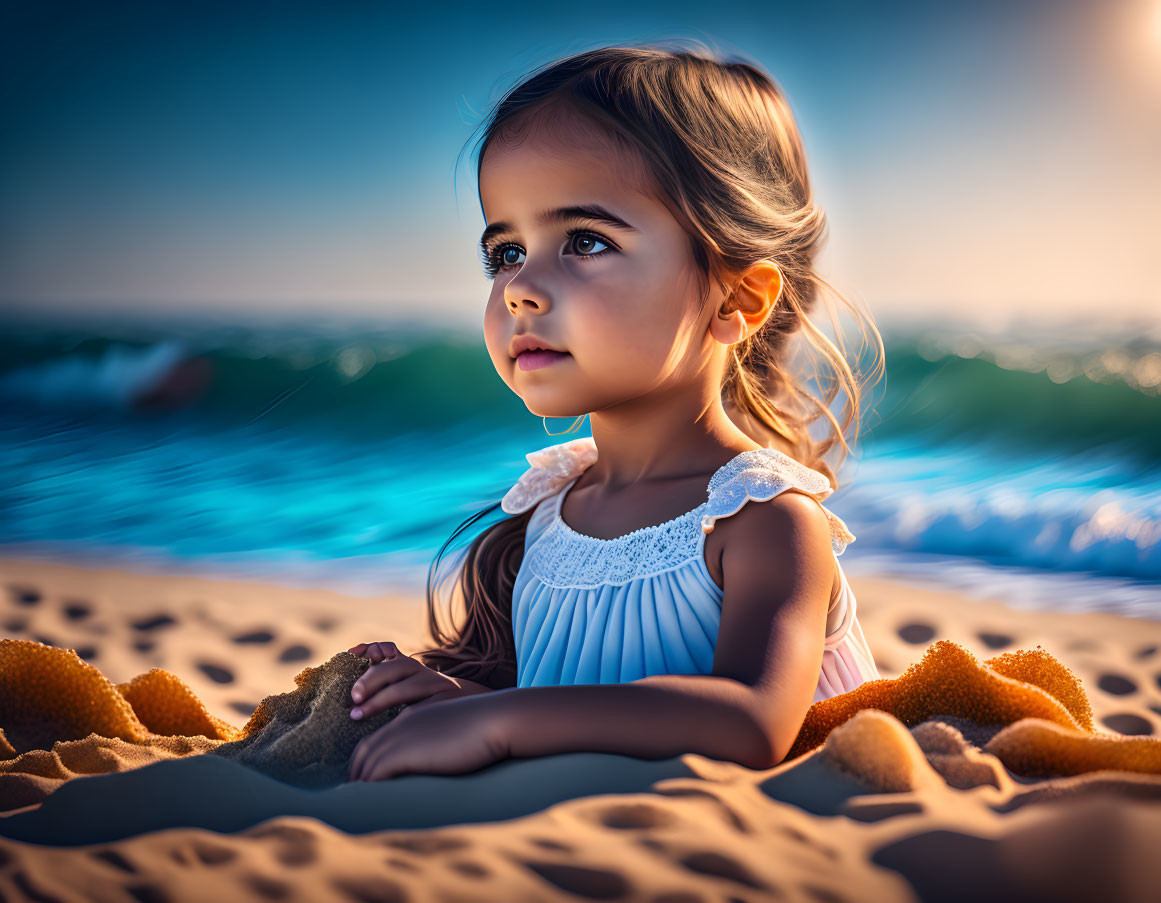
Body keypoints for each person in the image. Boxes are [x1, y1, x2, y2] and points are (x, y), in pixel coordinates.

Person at [346, 41, 885, 782]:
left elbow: (748, 720)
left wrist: (499, 718)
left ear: (736, 298)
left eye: (585, 241)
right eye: (504, 251)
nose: (519, 288)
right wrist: (462, 698)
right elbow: (555, 703)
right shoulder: (546, 515)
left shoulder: (762, 519)